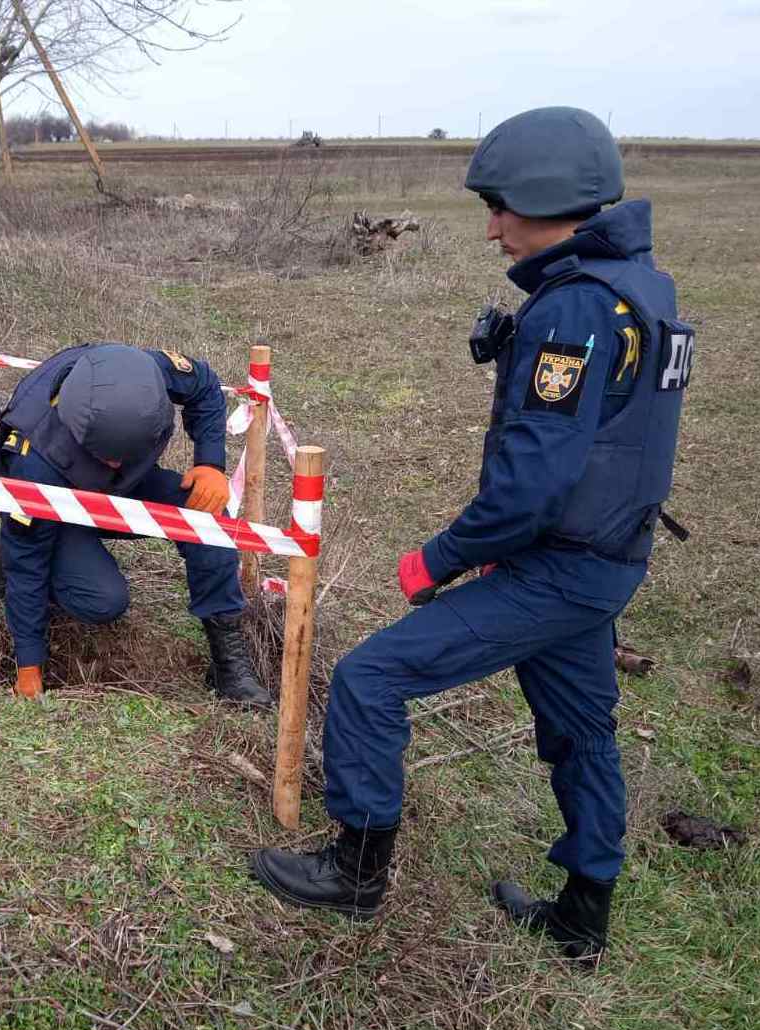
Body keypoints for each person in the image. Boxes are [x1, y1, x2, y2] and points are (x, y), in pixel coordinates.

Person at [250, 107, 694, 961]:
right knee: (583, 729)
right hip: (607, 555)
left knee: (370, 677)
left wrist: (437, 560)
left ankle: (354, 872)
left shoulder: (576, 313)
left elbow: (532, 484)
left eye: (499, 205)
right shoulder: (643, 287)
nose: (489, 226)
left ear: (548, 197)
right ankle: (582, 914)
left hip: (558, 565)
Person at [0, 341, 271, 707]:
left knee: (207, 517)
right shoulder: (33, 460)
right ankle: (5, 545)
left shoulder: (145, 377)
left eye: (125, 453)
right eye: (106, 455)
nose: (117, 463)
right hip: (58, 501)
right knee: (103, 601)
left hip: (125, 491)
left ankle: (228, 663)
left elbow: (204, 387)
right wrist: (29, 667)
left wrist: (210, 463)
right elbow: (27, 569)